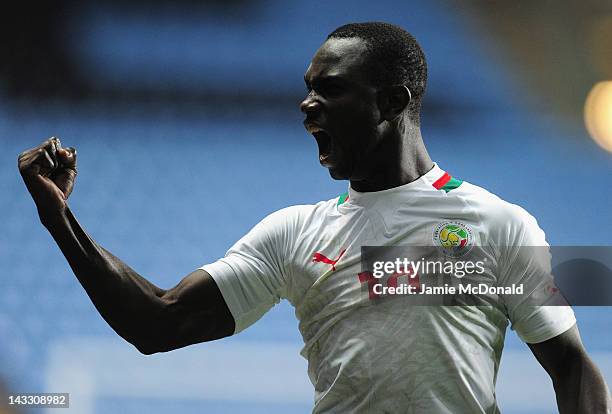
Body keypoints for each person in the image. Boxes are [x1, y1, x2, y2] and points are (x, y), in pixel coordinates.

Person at [18, 22, 609, 413]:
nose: (307, 107)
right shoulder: (292, 234)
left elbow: (571, 368)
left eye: (330, 91)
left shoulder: (498, 226)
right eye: (307, 91)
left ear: (394, 101)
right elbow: (157, 325)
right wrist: (59, 219)